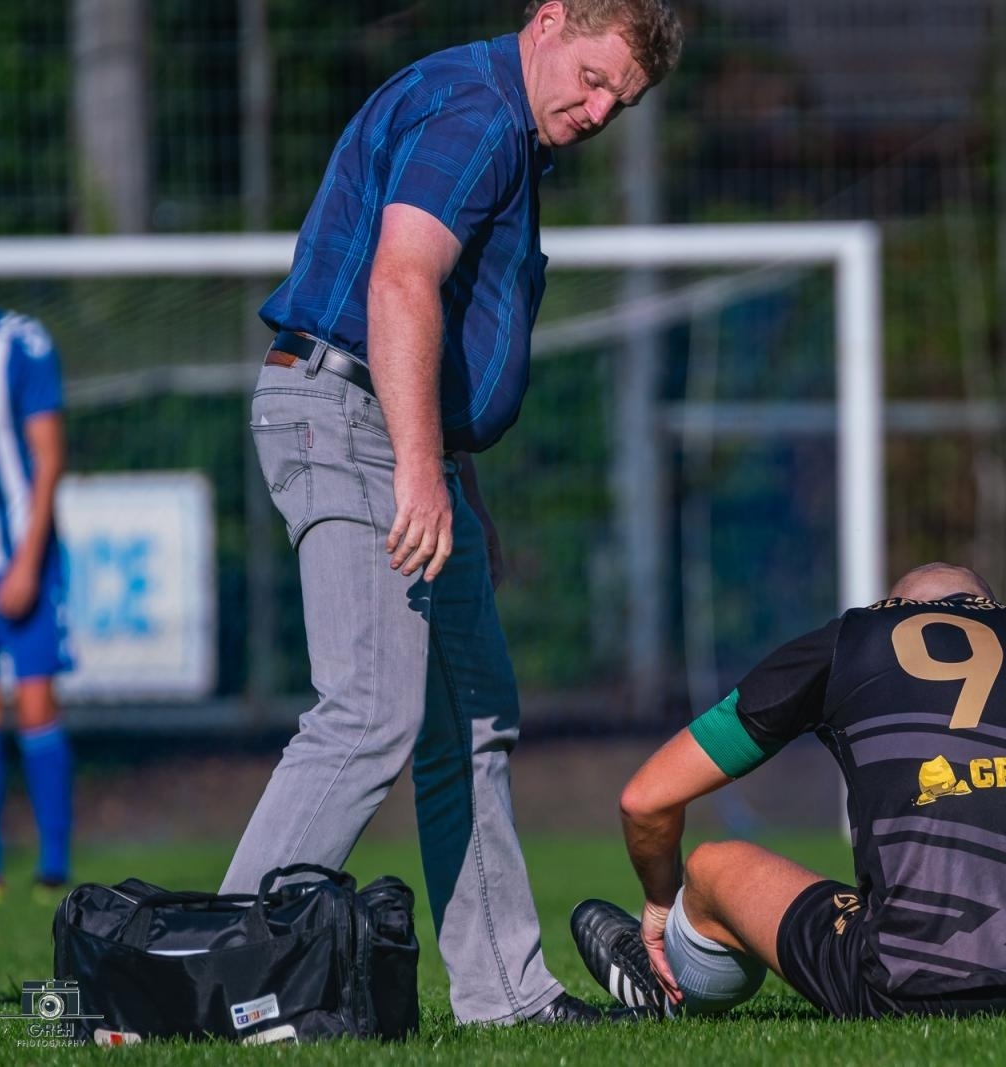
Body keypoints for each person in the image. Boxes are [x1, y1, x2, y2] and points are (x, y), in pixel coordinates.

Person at [222, 1, 682, 1026]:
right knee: (367, 711)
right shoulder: (476, 113)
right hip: (349, 419)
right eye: (594, 80)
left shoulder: (500, 122)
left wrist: (453, 479)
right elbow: (401, 281)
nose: (599, 112)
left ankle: (506, 994)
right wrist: (421, 472)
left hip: (401, 435)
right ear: (550, 20)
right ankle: (211, 974)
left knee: (472, 720)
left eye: (622, 102)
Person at [572, 562, 1006, 1019]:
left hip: (905, 980)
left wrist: (660, 906)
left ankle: (675, 987)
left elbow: (647, 799)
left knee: (713, 868)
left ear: (895, 607)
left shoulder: (855, 638)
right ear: (996, 604)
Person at [0, 309, 73, 907]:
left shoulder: (19, 341)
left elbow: (48, 456)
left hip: (22, 555)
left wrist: (26, 560)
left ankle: (53, 869)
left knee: (34, 705)